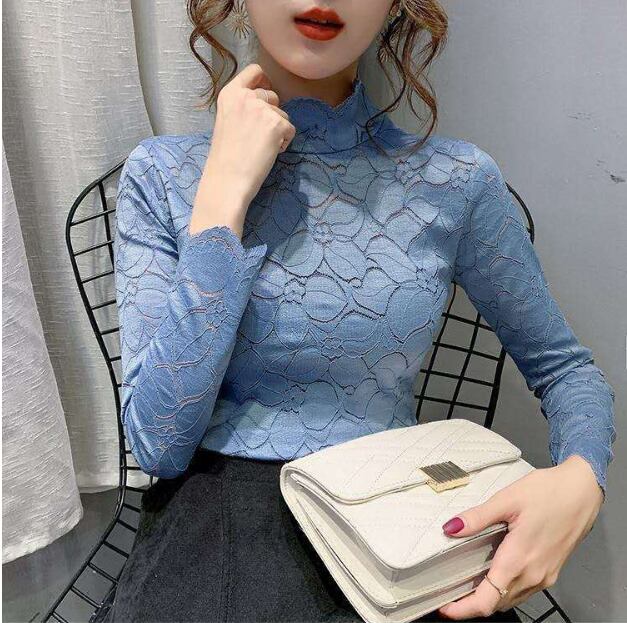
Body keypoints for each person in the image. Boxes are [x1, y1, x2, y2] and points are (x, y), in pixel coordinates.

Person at [106, 1, 616, 621]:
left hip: (397, 528)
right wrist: (221, 200)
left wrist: (580, 480)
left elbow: (565, 369)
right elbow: (158, 444)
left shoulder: (455, 180)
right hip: (217, 537)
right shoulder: (162, 174)